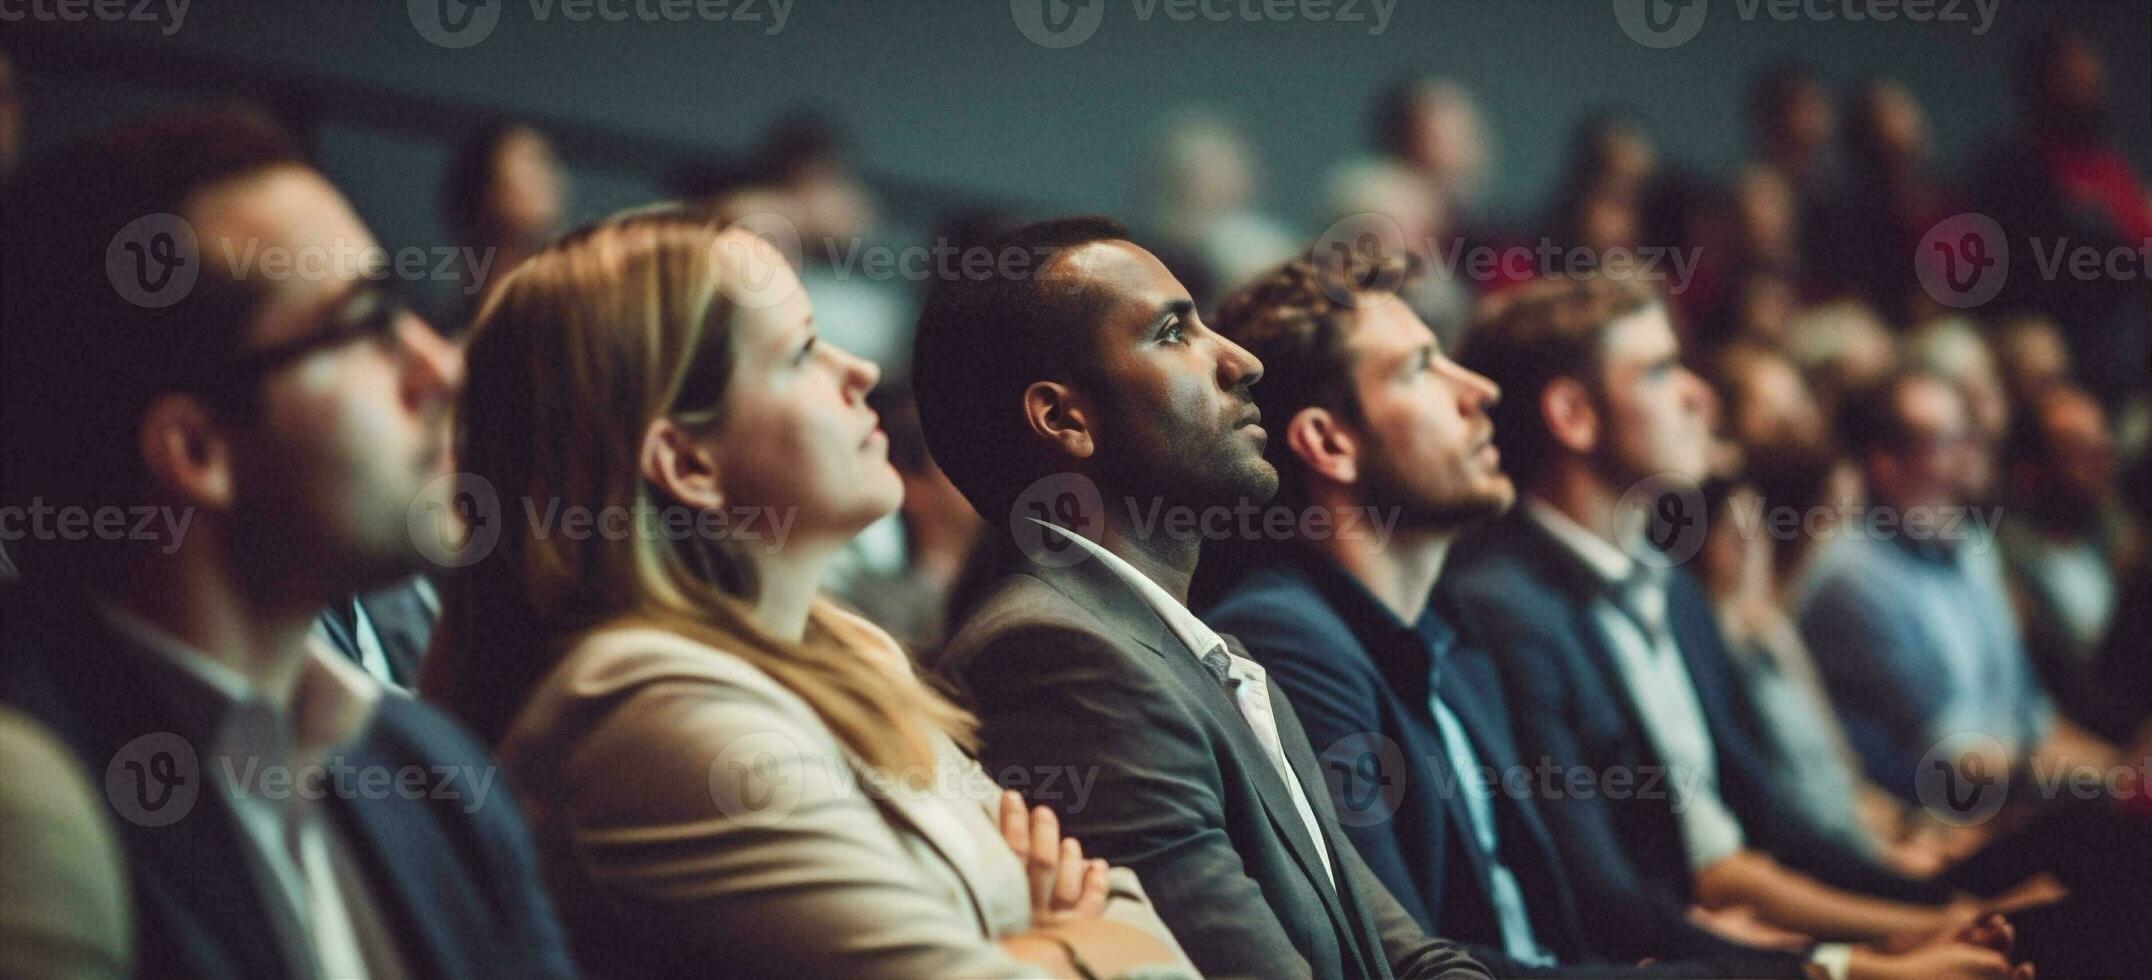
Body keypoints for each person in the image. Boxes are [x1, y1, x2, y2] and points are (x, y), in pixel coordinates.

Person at [1202, 249, 2023, 980]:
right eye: (1422, 368)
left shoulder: (1442, 622)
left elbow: (1591, 913)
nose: (1477, 391)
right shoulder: (1302, 642)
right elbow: (1411, 962)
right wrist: (1840, 970)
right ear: (1330, 444)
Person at [421, 208, 1191, 979]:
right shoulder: (652, 714)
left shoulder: (856, 653)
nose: (857, 372)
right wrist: (1070, 938)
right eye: (801, 355)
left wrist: (1048, 946)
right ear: (687, 461)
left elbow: (1131, 909)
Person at [0, 108, 574, 978]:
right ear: (198, 450)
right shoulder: (35, 800)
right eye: (368, 324)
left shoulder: (435, 775)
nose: (443, 370)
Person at [917, 216, 1491, 980]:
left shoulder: (1211, 651)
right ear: (1064, 419)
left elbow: (1412, 954)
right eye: (1172, 333)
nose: (1241, 361)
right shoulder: (1058, 655)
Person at [1441, 279, 2008, 948]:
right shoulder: (1505, 610)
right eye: (1659, 371)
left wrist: (1938, 911)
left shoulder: (1672, 585)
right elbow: (1610, 907)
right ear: (1572, 413)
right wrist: (1875, 953)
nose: (1698, 395)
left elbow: (1766, 819)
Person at [1796, 372, 2118, 799]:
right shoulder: (1853, 578)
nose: (1969, 452)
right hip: (1938, 820)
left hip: (2020, 795)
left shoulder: (1972, 548)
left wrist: (2120, 769)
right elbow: (1952, 757)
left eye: (1969, 432)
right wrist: (2109, 779)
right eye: (1944, 440)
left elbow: (2032, 718)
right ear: (1886, 463)